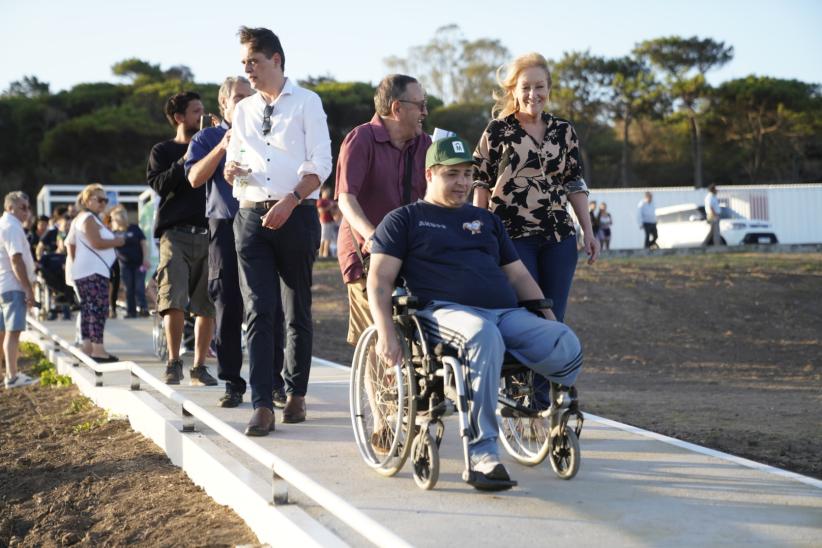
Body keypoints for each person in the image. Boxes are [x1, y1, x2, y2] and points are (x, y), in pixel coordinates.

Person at [369, 136, 583, 490]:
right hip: (442, 314)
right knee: (483, 336)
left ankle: (549, 412)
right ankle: (483, 456)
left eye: (468, 174)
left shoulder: (485, 220)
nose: (463, 183)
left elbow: (517, 274)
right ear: (430, 174)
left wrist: (546, 316)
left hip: (503, 314)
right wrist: (385, 332)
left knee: (565, 340)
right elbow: (379, 280)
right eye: (452, 175)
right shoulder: (404, 220)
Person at [223, 26, 332, 435]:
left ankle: (296, 393)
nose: (247, 70)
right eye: (243, 63)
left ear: (276, 60)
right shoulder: (243, 110)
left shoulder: (307, 102)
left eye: (253, 61)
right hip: (250, 218)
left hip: (296, 214)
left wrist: (290, 200)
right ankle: (262, 404)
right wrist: (232, 169)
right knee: (258, 311)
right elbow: (235, 162)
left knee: (296, 308)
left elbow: (322, 161)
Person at [186, 75, 288, 409]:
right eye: (240, 97)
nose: (247, 102)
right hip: (225, 224)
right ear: (225, 104)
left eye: (251, 95)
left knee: (268, 304)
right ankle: (232, 381)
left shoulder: (266, 133)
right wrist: (223, 145)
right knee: (228, 303)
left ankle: (274, 381)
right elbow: (194, 178)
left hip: (261, 221)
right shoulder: (207, 136)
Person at [473, 53, 599, 325]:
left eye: (539, 86)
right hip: (512, 238)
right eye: (525, 87)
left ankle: (545, 369)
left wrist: (588, 231)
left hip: (559, 238)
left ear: (549, 89)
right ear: (514, 91)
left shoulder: (564, 131)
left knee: (554, 319)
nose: (533, 94)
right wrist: (479, 232)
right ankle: (524, 368)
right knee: (531, 315)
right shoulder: (497, 131)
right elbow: (480, 182)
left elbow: (574, 183)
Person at [335, 73, 430, 346]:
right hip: (366, 253)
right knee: (379, 339)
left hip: (412, 254)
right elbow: (345, 199)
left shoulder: (425, 144)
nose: (425, 112)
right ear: (397, 108)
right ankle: (377, 387)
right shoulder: (360, 139)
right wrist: (374, 236)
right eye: (420, 105)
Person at [147, 91, 217, 387]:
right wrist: (187, 157)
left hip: (210, 233)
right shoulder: (162, 150)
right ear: (179, 117)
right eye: (196, 111)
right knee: (172, 297)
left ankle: (199, 367)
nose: (202, 116)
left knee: (206, 304)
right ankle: (174, 362)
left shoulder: (213, 145)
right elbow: (159, 185)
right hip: (174, 234)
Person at [70, 184, 124, 363]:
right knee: (98, 309)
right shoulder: (88, 218)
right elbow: (97, 242)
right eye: (99, 199)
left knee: (88, 309)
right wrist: (118, 240)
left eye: (105, 200)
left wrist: (77, 262)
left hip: (85, 271)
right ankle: (98, 350)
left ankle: (87, 348)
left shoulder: (80, 218)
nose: (103, 203)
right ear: (86, 200)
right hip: (93, 272)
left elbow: (69, 244)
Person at [1, 192, 38, 388]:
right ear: (10, 208)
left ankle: (9, 373)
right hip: (13, 285)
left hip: (5, 284)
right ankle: (12, 376)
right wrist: (28, 289)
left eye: (28, 207)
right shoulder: (12, 226)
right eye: (23, 207)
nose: (27, 212)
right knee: (13, 332)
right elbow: (16, 259)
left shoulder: (4, 225)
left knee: (5, 332)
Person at [109, 205, 149, 318]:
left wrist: (146, 258)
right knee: (128, 289)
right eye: (117, 217)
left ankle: (143, 308)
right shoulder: (114, 233)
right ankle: (131, 311)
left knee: (139, 287)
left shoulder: (134, 228)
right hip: (124, 265)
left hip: (139, 264)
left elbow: (143, 244)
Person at [316, 187, 336, 259]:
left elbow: (334, 212)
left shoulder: (329, 201)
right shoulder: (320, 201)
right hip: (324, 221)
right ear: (323, 193)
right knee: (323, 238)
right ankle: (321, 255)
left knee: (328, 238)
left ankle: (325, 254)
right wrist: (330, 206)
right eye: (326, 192)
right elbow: (321, 211)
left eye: (329, 192)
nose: (328, 193)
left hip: (330, 221)